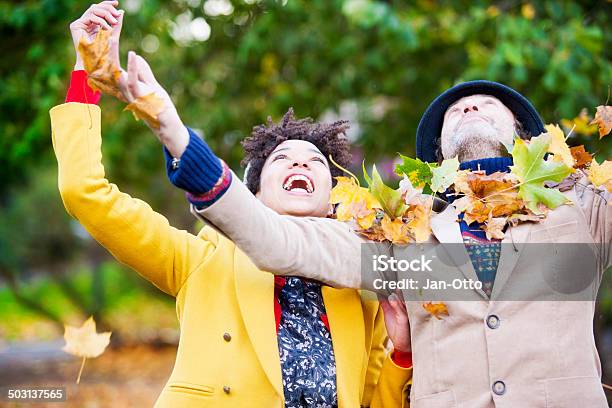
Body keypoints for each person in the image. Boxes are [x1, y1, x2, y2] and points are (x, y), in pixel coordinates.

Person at [158, 65, 611, 405]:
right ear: (438, 155)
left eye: (488, 104)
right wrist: (182, 143)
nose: (469, 106)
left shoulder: (581, 210)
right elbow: (280, 241)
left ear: (523, 134)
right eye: (455, 112)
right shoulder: (404, 240)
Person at [52, 1, 414, 406]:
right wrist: (88, 73)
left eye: (315, 162)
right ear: (251, 195)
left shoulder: (361, 290)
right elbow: (84, 191)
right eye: (282, 159)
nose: (299, 161)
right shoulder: (202, 259)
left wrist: (401, 352)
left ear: (334, 200)